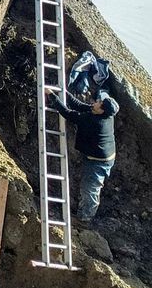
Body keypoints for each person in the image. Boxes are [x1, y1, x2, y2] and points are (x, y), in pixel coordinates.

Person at [50, 81, 119, 222]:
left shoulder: (95, 122)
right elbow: (81, 106)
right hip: (98, 154)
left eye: (100, 103)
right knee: (88, 186)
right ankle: (83, 212)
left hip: (99, 163)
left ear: (102, 110)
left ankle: (85, 219)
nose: (97, 102)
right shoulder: (103, 114)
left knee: (90, 189)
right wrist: (62, 92)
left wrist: (51, 96)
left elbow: (69, 114)